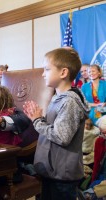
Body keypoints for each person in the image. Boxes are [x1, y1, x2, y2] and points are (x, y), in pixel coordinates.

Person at [23, 47, 89, 200]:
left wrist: (37, 120)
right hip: (52, 171)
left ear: (63, 72)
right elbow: (55, 127)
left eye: (47, 69)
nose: (43, 73)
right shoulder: (58, 98)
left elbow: (62, 136)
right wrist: (38, 117)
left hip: (62, 175)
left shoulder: (69, 102)